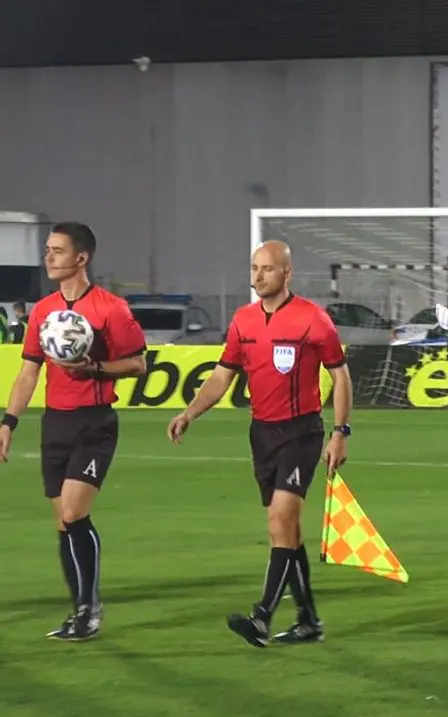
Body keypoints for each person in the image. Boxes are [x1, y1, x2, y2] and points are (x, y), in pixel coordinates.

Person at [168, 241, 352, 646]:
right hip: (262, 435)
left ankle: (262, 617)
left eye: (267, 268)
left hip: (301, 432)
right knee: (285, 532)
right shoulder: (243, 321)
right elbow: (222, 376)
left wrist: (340, 432)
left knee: (280, 521)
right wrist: (189, 413)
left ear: (287, 273)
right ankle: (308, 621)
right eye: (254, 268)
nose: (258, 276)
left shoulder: (313, 319)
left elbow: (340, 375)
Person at [0, 222, 146, 641]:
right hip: (56, 422)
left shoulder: (111, 309)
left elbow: (138, 363)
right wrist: (8, 421)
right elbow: (29, 371)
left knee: (73, 513)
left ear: (81, 258)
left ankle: (89, 610)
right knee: (63, 524)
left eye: (58, 250)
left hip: (94, 422)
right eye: (47, 249)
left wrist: (94, 368)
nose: (48, 257)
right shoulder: (43, 311)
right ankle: (78, 610)